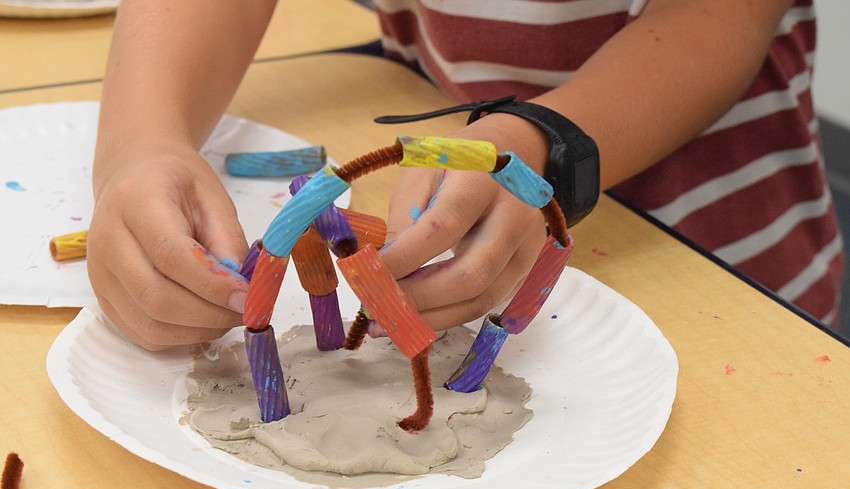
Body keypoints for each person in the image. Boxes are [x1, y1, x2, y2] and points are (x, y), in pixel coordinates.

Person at [87, 0, 843, 350]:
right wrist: (142, 138)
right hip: (452, 200)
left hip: (719, 271)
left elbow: (722, 16)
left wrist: (549, 137)